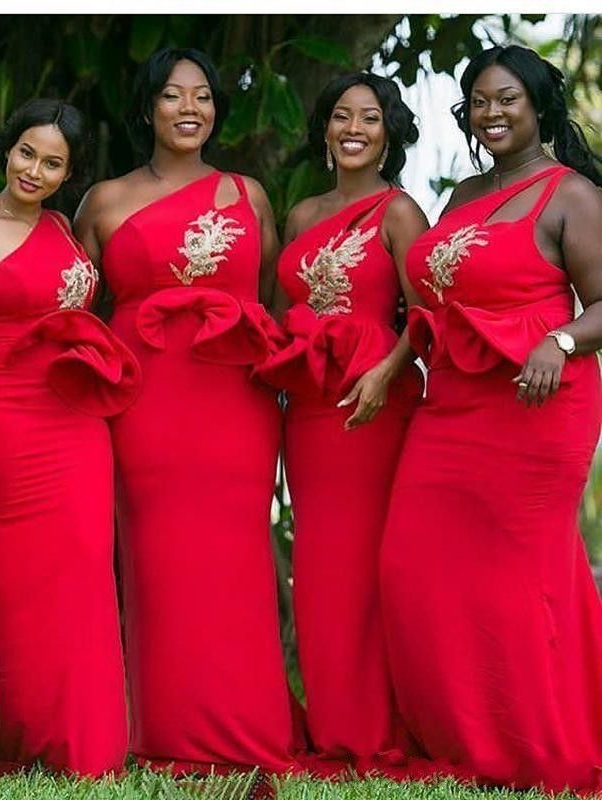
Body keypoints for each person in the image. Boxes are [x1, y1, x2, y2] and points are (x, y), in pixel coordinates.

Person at [380, 44, 602, 792]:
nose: (492, 113)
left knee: (521, 577)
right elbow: (431, 301)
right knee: (415, 566)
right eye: (479, 101)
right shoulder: (463, 194)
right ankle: (459, 735)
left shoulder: (569, 194)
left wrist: (561, 339)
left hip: (538, 401)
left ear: (538, 106)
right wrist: (390, 364)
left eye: (507, 98)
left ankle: (535, 741)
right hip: (453, 399)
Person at [74, 47, 298, 774]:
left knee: (234, 559)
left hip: (235, 398)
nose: (190, 108)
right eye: (173, 96)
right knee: (158, 562)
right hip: (145, 400)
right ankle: (163, 729)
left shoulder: (249, 193)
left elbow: (266, 297)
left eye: (202, 95)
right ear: (147, 109)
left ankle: (248, 728)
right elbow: (68, 305)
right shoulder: (102, 201)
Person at [0, 100, 138, 775]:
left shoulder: (62, 227)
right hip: (0, 413)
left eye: (52, 163)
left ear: (67, 175)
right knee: (10, 577)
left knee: (81, 567)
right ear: (7, 148)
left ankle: (80, 741)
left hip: (75, 420)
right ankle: (5, 734)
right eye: (27, 152)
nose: (35, 169)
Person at [256, 73, 426, 774]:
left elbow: (425, 316)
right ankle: (334, 723)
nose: (354, 128)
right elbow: (276, 313)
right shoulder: (299, 214)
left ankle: (381, 723)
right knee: (323, 570)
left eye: (370, 117)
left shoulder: (400, 211)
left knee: (368, 564)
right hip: (311, 412)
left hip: (375, 403)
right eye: (341, 117)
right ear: (324, 130)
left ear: (389, 132)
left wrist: (385, 374)